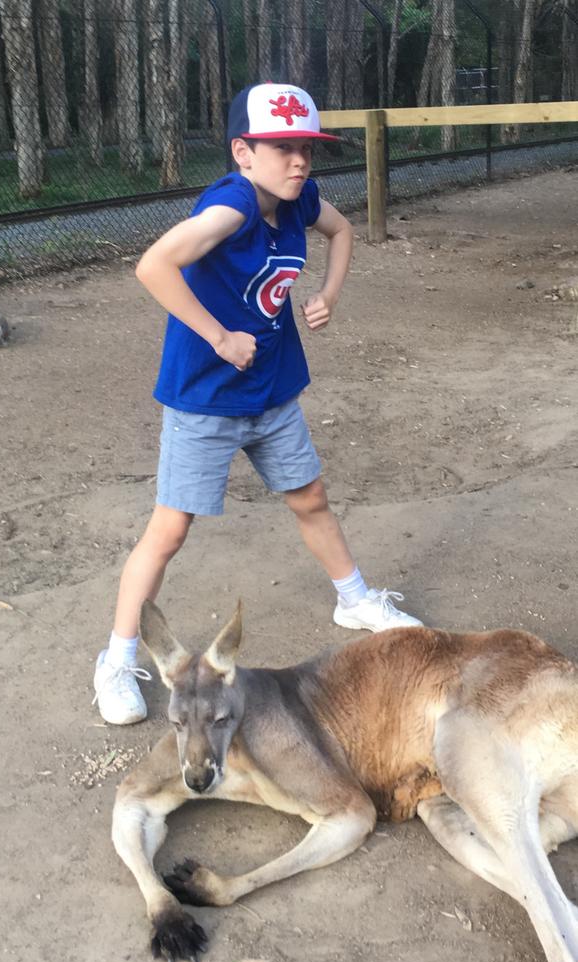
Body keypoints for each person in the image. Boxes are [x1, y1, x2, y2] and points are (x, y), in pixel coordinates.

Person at [93, 82, 423, 725]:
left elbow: (344, 230)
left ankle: (353, 600)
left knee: (310, 498)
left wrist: (329, 292)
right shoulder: (232, 208)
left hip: (271, 390)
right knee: (170, 530)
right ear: (243, 152)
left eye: (306, 148)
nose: (298, 161)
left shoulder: (299, 201)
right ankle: (115, 659)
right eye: (280, 148)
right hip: (206, 399)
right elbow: (153, 265)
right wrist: (218, 336)